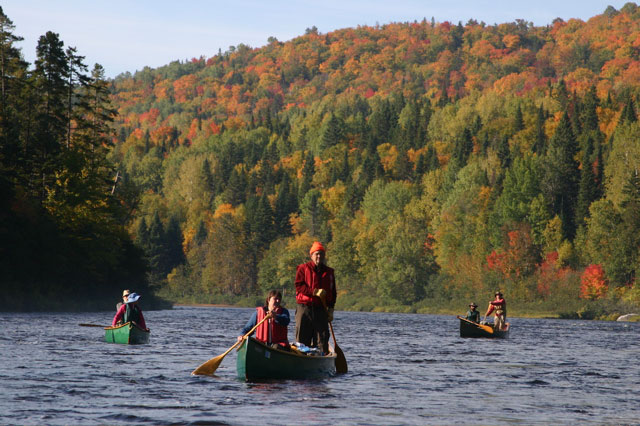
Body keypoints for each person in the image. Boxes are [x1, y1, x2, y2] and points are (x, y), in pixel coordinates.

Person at [294, 241, 337, 355]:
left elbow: (333, 292)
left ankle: (321, 357)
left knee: (322, 339)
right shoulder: (303, 269)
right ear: (311, 255)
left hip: (321, 309)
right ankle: (301, 357)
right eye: (317, 254)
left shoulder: (329, 272)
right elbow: (298, 286)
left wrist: (331, 309)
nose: (319, 256)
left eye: (321, 254)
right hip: (304, 308)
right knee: (302, 339)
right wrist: (314, 292)